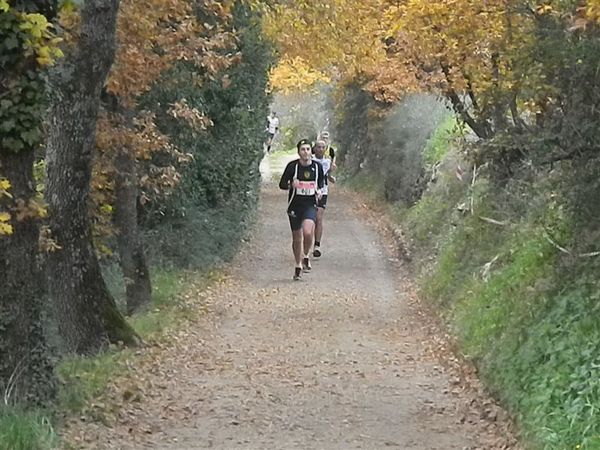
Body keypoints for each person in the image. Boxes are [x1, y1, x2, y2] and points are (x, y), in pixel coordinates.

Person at [279, 139, 325, 280]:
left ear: (311, 151)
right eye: (303, 149)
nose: (306, 152)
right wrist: (291, 185)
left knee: (307, 231)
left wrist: (319, 192)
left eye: (308, 149)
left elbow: (320, 184)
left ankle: (306, 255)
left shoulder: (317, 167)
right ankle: (298, 264)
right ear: (298, 152)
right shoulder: (292, 167)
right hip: (294, 206)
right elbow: (282, 184)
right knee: (297, 237)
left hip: (310, 204)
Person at [312, 140, 335, 258]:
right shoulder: (309, 160)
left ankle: (317, 245)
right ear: (314, 148)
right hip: (309, 191)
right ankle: (306, 241)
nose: (321, 149)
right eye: (318, 147)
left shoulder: (327, 161)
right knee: (310, 219)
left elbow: (327, 176)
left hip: (323, 191)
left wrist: (331, 176)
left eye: (323, 147)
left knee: (318, 218)